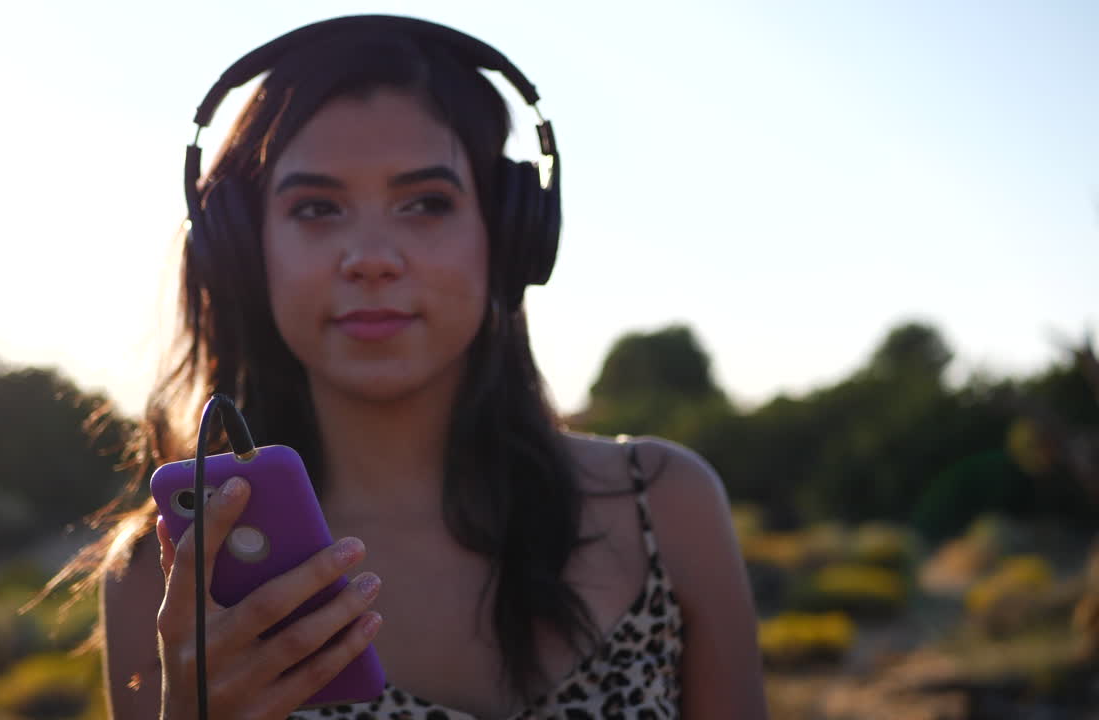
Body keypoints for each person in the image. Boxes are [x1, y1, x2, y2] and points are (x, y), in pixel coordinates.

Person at [65, 14, 767, 720]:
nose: (371, 257)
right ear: (244, 253)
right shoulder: (172, 579)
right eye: (316, 208)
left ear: (511, 235)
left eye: (426, 203)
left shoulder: (668, 507)